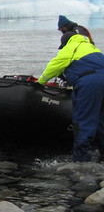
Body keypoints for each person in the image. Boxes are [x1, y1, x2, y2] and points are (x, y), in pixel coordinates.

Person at [38, 15, 104, 161]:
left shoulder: (70, 47)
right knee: (101, 120)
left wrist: (40, 82)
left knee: (84, 122)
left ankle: (82, 162)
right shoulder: (91, 47)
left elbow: (54, 66)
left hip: (90, 84)